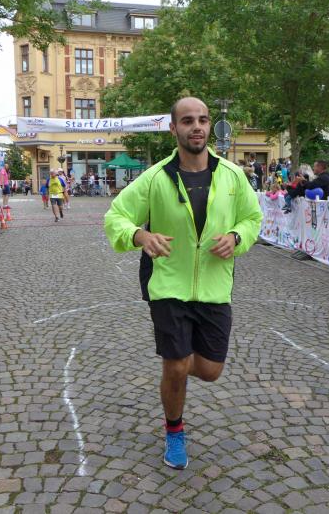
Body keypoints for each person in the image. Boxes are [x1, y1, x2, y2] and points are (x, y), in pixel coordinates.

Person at [104, 97, 262, 470]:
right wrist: (140, 236)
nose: (197, 127)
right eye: (188, 120)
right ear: (174, 128)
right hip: (168, 285)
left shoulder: (232, 176)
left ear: (209, 126)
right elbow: (116, 217)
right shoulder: (156, 177)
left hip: (214, 288)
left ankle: (174, 367)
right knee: (176, 366)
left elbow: (253, 218)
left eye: (203, 120)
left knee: (210, 370)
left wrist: (237, 237)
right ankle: (174, 430)